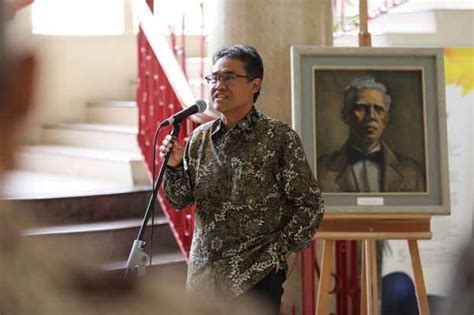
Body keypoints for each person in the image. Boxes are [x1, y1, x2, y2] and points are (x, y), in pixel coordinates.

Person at [159, 44, 325, 313]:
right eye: (213, 78)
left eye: (229, 77)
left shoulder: (279, 138)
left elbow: (310, 205)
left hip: (254, 277)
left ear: (254, 85)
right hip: (204, 277)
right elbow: (179, 200)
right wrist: (175, 166)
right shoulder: (200, 138)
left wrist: (276, 252)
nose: (218, 85)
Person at [317, 76, 425, 193]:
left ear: (387, 119)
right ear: (345, 115)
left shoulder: (411, 172)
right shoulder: (320, 171)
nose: (371, 116)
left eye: (378, 109)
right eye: (362, 108)